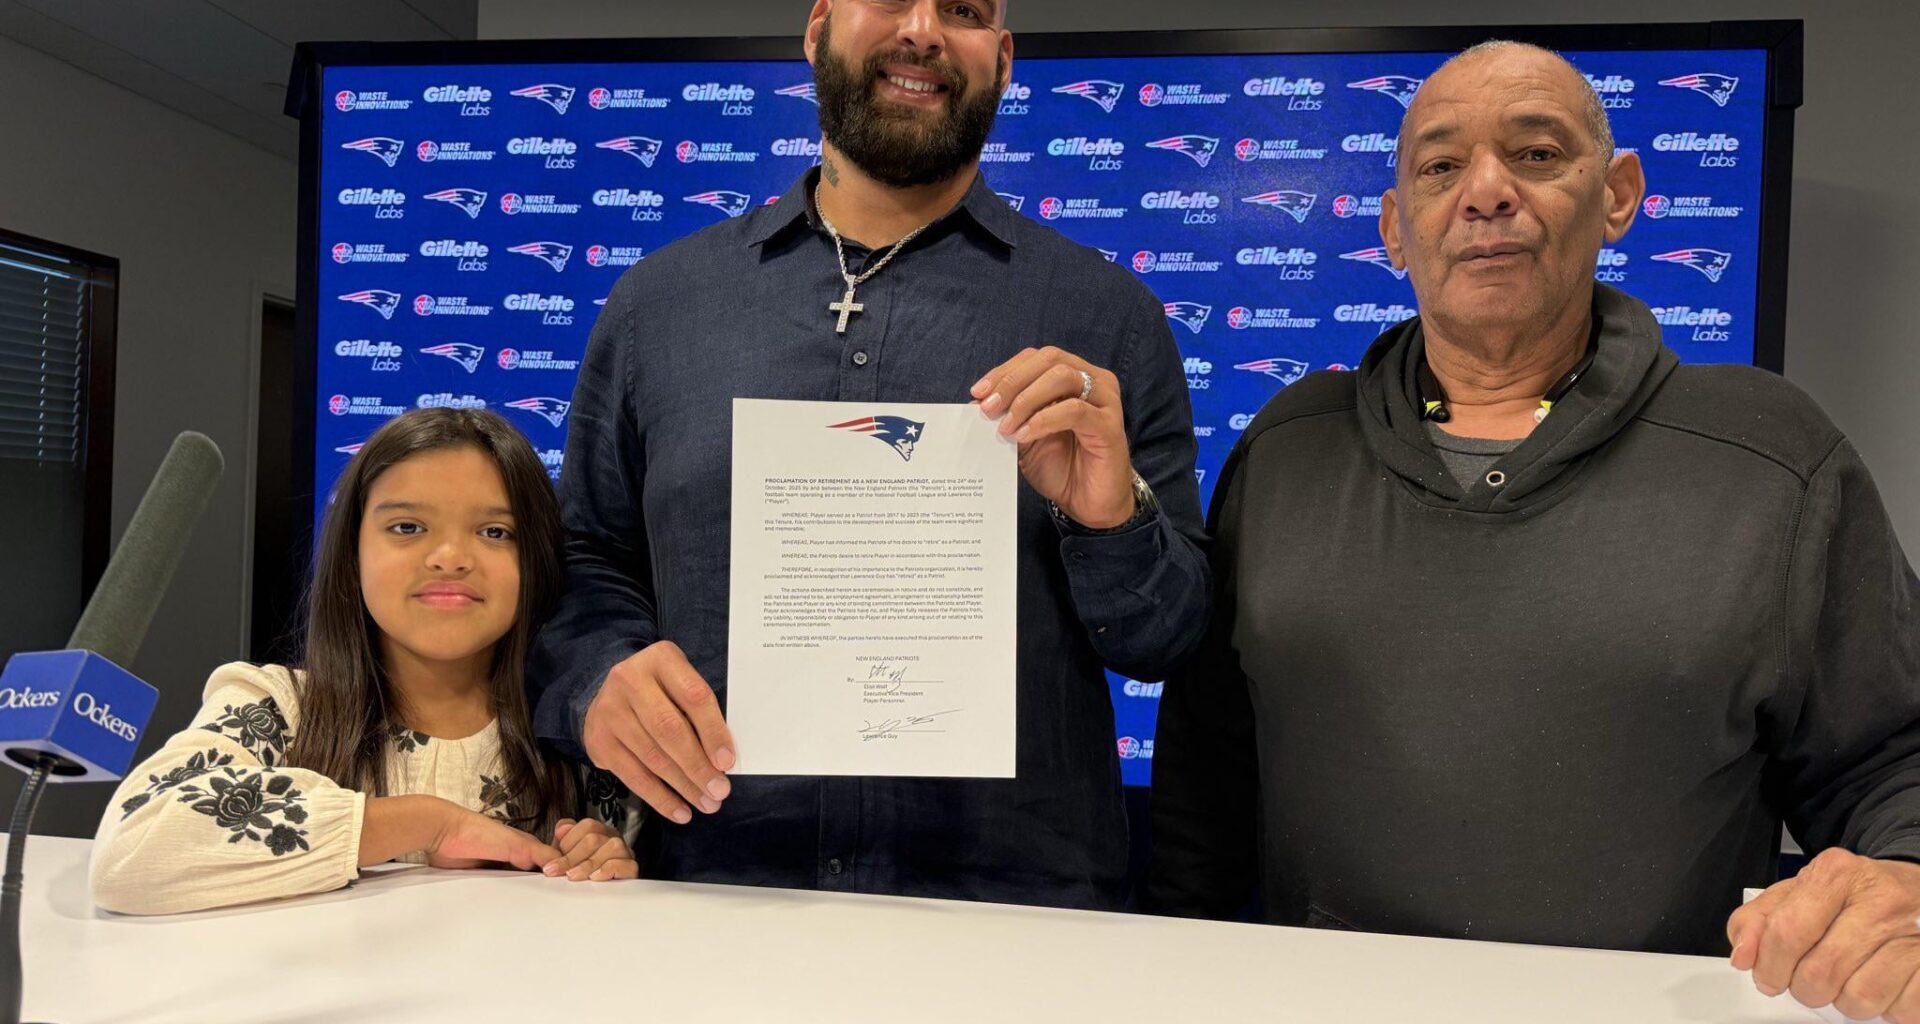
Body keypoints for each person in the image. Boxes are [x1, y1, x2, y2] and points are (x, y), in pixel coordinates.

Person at [1148, 39, 1920, 1019]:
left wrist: (1903, 878)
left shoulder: (1774, 459)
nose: (1486, 192)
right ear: (1394, 228)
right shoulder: (1288, 448)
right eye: (1440, 167)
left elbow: (1890, 757)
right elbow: (1206, 780)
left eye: (1538, 154)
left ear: (1618, 194)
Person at [528, 0, 1210, 910]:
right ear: (817, 30)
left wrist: (1111, 521)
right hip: (711, 893)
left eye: (963, 11)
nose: (923, 30)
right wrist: (597, 680)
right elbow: (584, 562)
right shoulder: (660, 306)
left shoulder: (1106, 319)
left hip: (1016, 914)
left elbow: (1169, 638)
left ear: (1003, 58)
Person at [92, 409, 636, 915]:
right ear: (352, 553)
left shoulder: (587, 735)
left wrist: (601, 862)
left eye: (495, 532)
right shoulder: (278, 706)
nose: (450, 557)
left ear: (537, 559)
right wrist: (427, 824)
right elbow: (132, 848)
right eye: (407, 527)